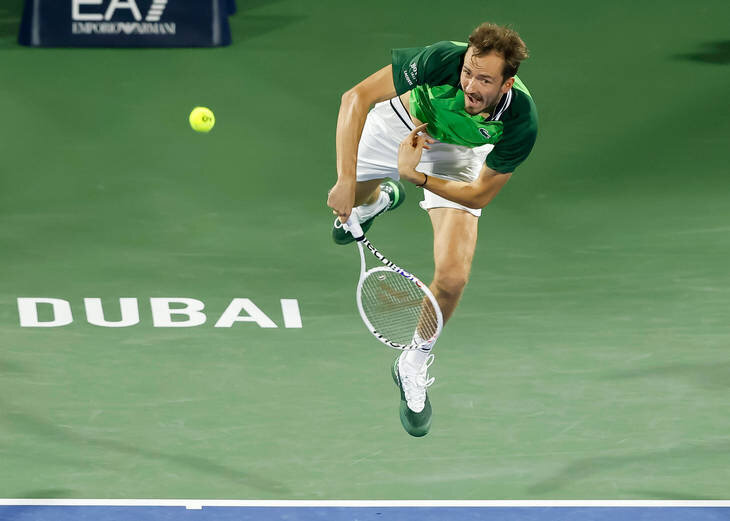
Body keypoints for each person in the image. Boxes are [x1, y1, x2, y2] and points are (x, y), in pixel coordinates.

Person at [327, 22, 538, 437]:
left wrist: (417, 176)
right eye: (468, 72)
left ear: (507, 83)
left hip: (456, 155)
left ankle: (413, 360)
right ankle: (377, 200)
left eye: (484, 80)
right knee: (355, 197)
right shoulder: (442, 58)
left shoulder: (520, 121)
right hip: (404, 124)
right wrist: (345, 181)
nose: (470, 85)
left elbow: (478, 195)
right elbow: (355, 97)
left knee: (453, 277)